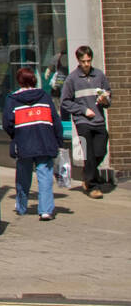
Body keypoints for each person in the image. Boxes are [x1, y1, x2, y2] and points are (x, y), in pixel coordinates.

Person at [3, 67, 64, 220]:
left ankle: (21, 207)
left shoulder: (12, 100)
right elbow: (55, 121)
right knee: (45, 177)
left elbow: (6, 123)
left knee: (23, 178)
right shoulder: (44, 97)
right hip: (45, 142)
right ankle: (45, 210)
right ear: (34, 80)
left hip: (23, 144)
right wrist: (59, 141)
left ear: (19, 81)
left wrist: (15, 135)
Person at [60, 45, 113, 197]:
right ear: (78, 61)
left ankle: (87, 173)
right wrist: (83, 111)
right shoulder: (72, 79)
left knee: (100, 150)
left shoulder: (99, 76)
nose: (86, 64)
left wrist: (105, 100)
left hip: (99, 119)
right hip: (82, 121)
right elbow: (65, 102)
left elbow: (109, 97)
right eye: (83, 61)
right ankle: (93, 186)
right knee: (88, 152)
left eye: (88, 61)